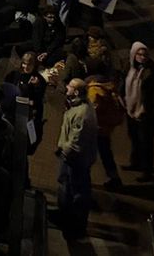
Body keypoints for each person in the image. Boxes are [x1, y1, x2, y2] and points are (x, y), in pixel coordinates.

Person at [54, 78, 97, 240]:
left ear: (77, 91)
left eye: (70, 86)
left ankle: (76, 227)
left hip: (76, 160)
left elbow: (76, 139)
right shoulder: (77, 105)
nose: (67, 87)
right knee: (66, 187)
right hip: (72, 157)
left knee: (77, 192)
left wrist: (65, 151)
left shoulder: (82, 113)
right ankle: (64, 216)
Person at [122, 42, 154, 180]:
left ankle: (147, 171)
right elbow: (124, 85)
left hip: (146, 112)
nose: (142, 57)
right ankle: (136, 163)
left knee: (146, 142)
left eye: (145, 55)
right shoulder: (129, 68)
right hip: (131, 110)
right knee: (134, 138)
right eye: (139, 54)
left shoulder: (151, 73)